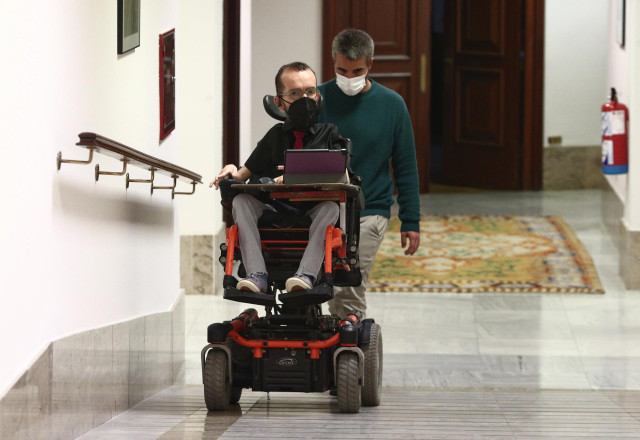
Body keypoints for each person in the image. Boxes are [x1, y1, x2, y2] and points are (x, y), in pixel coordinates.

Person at [210, 62, 344, 294]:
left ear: (318, 95)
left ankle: (306, 275)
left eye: (310, 92)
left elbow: (345, 176)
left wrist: (295, 177)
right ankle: (257, 275)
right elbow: (242, 175)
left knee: (331, 208)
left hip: (313, 209)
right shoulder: (274, 136)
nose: (304, 99)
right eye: (294, 93)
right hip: (275, 211)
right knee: (241, 201)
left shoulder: (329, 133)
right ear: (279, 102)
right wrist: (232, 168)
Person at [318, 28, 421, 319]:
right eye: (342, 70)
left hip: (369, 209)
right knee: (315, 286)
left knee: (348, 286)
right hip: (321, 207)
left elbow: (405, 165)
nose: (349, 77)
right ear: (333, 64)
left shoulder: (392, 106)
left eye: (357, 70)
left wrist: (410, 220)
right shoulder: (318, 100)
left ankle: (351, 354)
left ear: (370, 65)